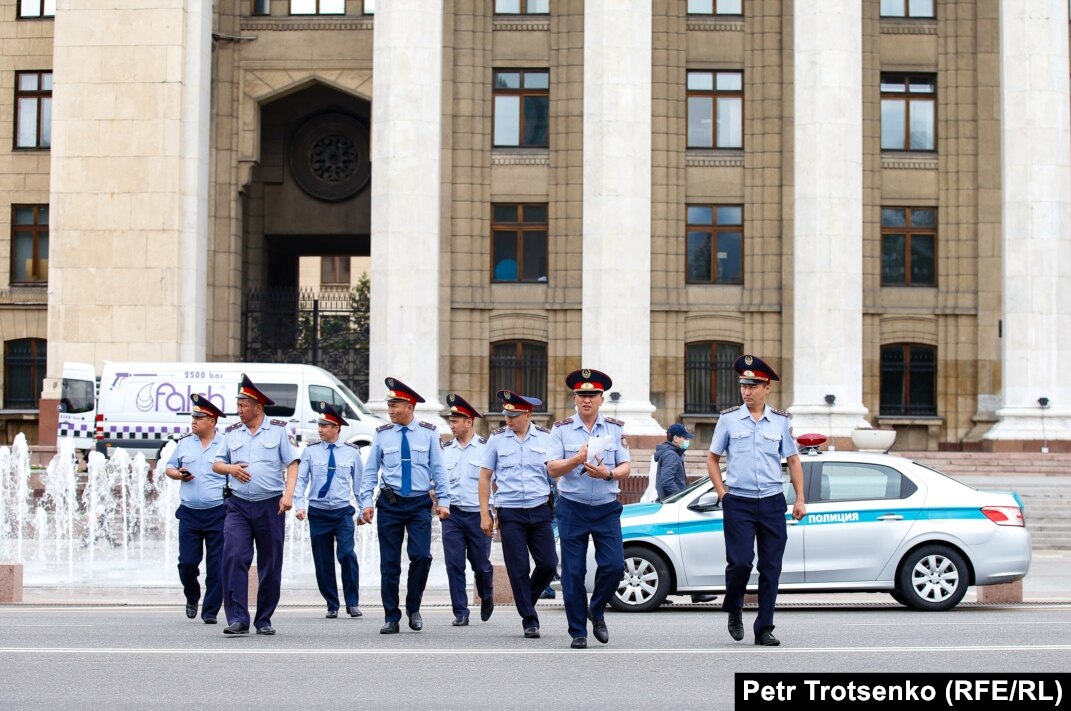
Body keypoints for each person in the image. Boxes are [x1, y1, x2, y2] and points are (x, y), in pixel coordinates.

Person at [706, 354, 806, 647]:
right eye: (743, 386)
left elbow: (793, 460)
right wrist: (722, 493)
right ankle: (735, 607)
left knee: (771, 567)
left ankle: (764, 627)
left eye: (753, 386)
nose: (747, 392)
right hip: (739, 501)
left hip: (772, 502)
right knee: (740, 563)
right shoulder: (728, 420)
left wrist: (800, 498)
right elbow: (712, 459)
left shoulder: (780, 422)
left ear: (766, 388)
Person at [546, 368, 631, 650]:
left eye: (592, 395)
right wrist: (578, 458)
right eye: (582, 395)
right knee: (573, 572)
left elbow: (626, 467)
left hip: (606, 507)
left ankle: (596, 609)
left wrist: (608, 474)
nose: (587, 400)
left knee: (615, 566)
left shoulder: (615, 428)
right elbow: (552, 467)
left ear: (601, 398)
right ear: (574, 398)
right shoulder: (561, 429)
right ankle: (578, 631)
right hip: (573, 507)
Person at [358, 377, 451, 634]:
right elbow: (370, 472)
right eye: (389, 405)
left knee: (421, 556)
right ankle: (391, 615)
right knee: (389, 563)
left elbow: (439, 470)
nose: (389, 410)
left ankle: (413, 606)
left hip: (420, 503)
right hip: (390, 503)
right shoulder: (382, 434)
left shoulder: (429, 433)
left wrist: (444, 501)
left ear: (409, 406)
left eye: (394, 405)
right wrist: (366, 502)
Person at [212, 374, 300, 636]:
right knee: (234, 556)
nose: (239, 410)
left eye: (243, 406)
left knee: (270, 563)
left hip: (270, 505)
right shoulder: (230, 433)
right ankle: (238, 617)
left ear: (258, 407)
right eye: (238, 405)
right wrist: (230, 469)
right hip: (238, 504)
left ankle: (264, 618)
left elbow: (293, 463)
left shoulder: (279, 430)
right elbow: (217, 464)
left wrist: (289, 495)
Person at [478, 389, 557, 640]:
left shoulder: (546, 438)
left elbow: (555, 473)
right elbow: (484, 476)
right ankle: (529, 619)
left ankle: (526, 599)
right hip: (510, 512)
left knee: (548, 564)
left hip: (540, 509)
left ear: (528, 414)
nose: (507, 420)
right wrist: (485, 513)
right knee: (518, 568)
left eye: (513, 415)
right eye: (505, 415)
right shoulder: (497, 439)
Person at [294, 401, 364, 620]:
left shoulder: (352, 453)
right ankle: (331, 603)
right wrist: (299, 504)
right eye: (319, 425)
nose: (320, 429)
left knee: (346, 554)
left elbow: (359, 484)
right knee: (323, 561)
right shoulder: (311, 451)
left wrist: (363, 509)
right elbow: (301, 479)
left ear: (337, 428)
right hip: (318, 512)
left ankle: (352, 602)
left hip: (342, 512)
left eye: (325, 425)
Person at [163, 393, 226, 624]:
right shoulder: (184, 443)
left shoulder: (226, 443)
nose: (194, 421)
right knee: (187, 563)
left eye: (200, 417)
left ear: (212, 421)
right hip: (190, 513)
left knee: (217, 566)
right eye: (193, 417)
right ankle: (192, 595)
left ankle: (210, 611)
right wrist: (178, 474)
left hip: (218, 512)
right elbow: (169, 468)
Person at [440, 392, 494, 626]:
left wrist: (494, 514)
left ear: (469, 422)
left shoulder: (485, 448)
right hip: (452, 515)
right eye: (450, 421)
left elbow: (496, 482)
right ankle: (460, 611)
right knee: (454, 564)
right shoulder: (445, 449)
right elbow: (439, 480)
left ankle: (487, 593)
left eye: (455, 421)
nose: (451, 425)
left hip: (478, 515)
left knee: (481, 565)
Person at [654, 422, 716, 604]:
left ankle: (663, 592)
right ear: (676, 438)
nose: (687, 441)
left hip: (668, 505)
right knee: (683, 550)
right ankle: (697, 593)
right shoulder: (672, 456)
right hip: (675, 507)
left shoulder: (667, 453)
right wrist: (680, 498)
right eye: (684, 438)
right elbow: (667, 481)